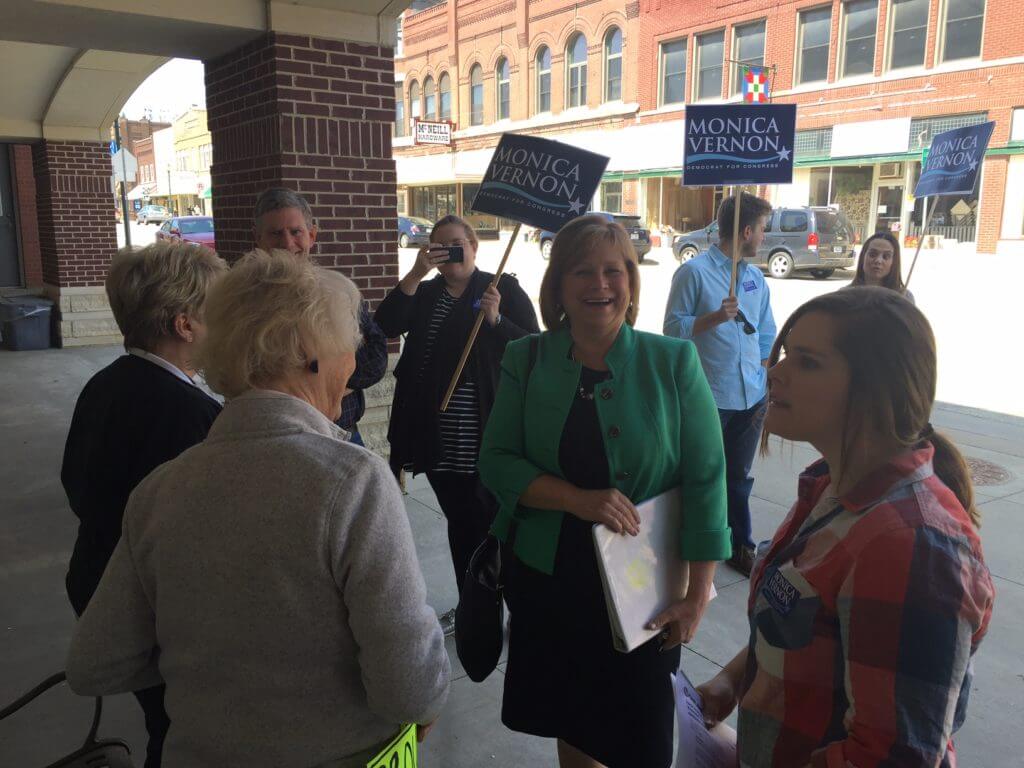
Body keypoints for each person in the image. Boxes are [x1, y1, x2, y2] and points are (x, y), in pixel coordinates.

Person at [65, 250, 450, 767]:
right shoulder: (354, 482)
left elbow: (95, 664)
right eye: (349, 346)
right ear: (311, 352)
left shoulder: (160, 489)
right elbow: (409, 688)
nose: (354, 364)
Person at [697, 287, 994, 767]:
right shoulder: (828, 487)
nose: (775, 372)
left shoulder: (910, 545)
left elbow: (890, 757)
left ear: (877, 389)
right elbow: (799, 630)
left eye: (808, 362)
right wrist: (734, 680)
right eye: (787, 354)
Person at [478, 215, 730, 768]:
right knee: (573, 723)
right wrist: (577, 499)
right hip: (550, 581)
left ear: (632, 282)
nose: (600, 285)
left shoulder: (673, 362)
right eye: (583, 272)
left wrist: (697, 593)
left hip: (645, 588)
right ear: (559, 287)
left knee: (641, 730)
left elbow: (707, 478)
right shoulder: (526, 359)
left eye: (613, 271)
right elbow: (494, 461)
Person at [61, 240, 228, 768]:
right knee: (180, 730)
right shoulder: (189, 413)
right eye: (215, 314)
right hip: (153, 612)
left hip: (98, 584)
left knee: (163, 718)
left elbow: (75, 483)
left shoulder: (105, 384)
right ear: (185, 325)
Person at [374, 214, 539, 633]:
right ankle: (478, 604)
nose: (449, 252)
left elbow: (536, 350)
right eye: (440, 246)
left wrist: (497, 319)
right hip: (437, 436)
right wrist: (415, 272)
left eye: (456, 243)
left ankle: (495, 600)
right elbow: (386, 325)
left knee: (487, 523)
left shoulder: (501, 288)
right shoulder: (426, 293)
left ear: (474, 246)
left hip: (488, 432)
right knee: (461, 522)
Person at [663, 192, 777, 577]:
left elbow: (766, 330)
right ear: (746, 231)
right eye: (762, 229)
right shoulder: (693, 273)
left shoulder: (756, 278)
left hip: (752, 396)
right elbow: (672, 332)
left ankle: (738, 544)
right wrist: (713, 318)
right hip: (711, 396)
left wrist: (762, 369)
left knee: (738, 478)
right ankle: (694, 545)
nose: (764, 237)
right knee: (703, 474)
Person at [253, 187, 388, 446]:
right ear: (258, 238)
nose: (287, 243)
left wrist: (324, 384)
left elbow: (377, 358)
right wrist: (330, 383)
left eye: (295, 232)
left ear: (311, 235)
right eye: (275, 233)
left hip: (345, 431)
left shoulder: (337, 292)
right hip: (283, 439)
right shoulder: (249, 302)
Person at [849, 230, 915, 302]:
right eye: (873, 254)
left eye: (886, 256)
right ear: (863, 257)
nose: (878, 261)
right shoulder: (845, 295)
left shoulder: (905, 297)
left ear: (894, 262)